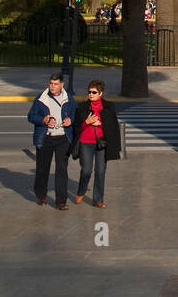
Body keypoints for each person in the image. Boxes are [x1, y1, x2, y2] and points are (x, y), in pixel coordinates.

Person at [28, 72, 76, 208]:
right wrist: (43, 120)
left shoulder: (69, 99)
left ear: (62, 85)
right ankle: (41, 195)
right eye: (51, 83)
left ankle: (61, 201)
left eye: (56, 84)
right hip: (46, 138)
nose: (52, 86)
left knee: (62, 169)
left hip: (63, 138)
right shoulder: (41, 98)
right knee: (42, 169)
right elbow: (31, 116)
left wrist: (70, 120)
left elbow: (74, 114)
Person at [72, 79, 121, 207]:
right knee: (86, 170)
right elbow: (76, 126)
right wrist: (87, 122)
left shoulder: (108, 107)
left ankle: (98, 199)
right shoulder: (83, 107)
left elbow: (113, 126)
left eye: (94, 92)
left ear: (100, 93)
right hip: (85, 143)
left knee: (100, 171)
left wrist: (101, 124)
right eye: (89, 92)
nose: (91, 94)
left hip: (101, 143)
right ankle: (81, 191)